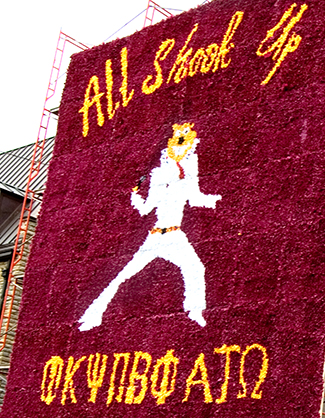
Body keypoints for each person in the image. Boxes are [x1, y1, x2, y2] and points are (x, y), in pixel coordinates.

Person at [78, 122, 221, 331]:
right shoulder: (159, 181)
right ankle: (93, 315)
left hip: (174, 236)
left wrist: (215, 199)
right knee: (124, 275)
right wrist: (135, 197)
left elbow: (196, 198)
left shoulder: (184, 181)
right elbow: (146, 208)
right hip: (155, 237)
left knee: (195, 268)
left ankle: (194, 310)